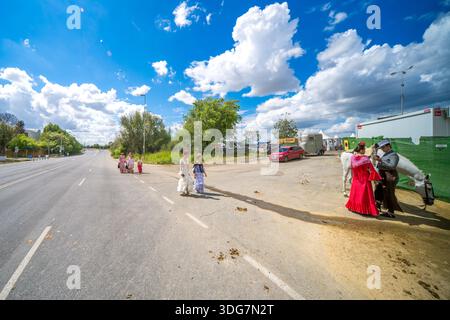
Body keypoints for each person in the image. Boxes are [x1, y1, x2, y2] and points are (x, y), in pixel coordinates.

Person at [345, 141, 382, 216]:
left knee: (356, 194)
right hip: (364, 179)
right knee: (364, 195)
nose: (365, 151)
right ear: (361, 150)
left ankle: (354, 208)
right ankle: (366, 210)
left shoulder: (352, 158)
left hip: (356, 179)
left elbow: (352, 167)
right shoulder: (365, 159)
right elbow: (372, 170)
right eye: (364, 149)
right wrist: (376, 179)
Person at [374, 139, 403, 218]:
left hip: (390, 176)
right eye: (381, 148)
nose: (382, 149)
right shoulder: (387, 154)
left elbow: (392, 166)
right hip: (384, 176)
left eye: (383, 147)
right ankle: (378, 206)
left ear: (388, 146)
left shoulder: (394, 155)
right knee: (379, 191)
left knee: (389, 194)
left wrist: (380, 160)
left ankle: (391, 212)